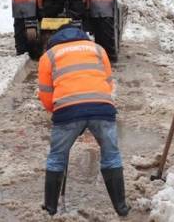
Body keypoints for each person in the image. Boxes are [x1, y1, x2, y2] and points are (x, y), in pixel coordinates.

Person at [38, 24, 130, 216]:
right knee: (111, 155)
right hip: (102, 107)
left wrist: (59, 111)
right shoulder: (98, 49)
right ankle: (121, 207)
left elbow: (46, 94)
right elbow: (108, 82)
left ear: (56, 37)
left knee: (56, 157)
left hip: (67, 111)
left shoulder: (49, 56)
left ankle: (50, 208)